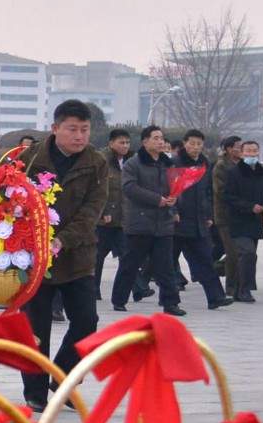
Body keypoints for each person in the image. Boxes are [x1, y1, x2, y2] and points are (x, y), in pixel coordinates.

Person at [19, 99, 107, 411]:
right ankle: (35, 391)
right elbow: (12, 202)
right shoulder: (30, 159)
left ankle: (63, 377)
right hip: (33, 256)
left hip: (77, 255)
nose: (79, 136)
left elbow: (92, 210)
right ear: (55, 128)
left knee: (87, 321)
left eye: (85, 130)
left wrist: (62, 241)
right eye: (72, 129)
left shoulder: (96, 162)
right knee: (35, 328)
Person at [110, 125, 184, 315]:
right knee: (130, 263)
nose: (161, 141)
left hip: (164, 222)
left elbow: (177, 187)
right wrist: (156, 199)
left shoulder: (168, 164)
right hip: (140, 223)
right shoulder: (133, 164)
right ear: (145, 142)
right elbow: (129, 188)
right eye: (156, 138)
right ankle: (119, 299)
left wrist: (174, 201)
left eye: (162, 138)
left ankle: (171, 303)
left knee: (166, 265)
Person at [172, 130, 234, 310]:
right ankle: (169, 299)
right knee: (169, 263)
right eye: (192, 143)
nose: (196, 147)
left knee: (205, 260)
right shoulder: (175, 163)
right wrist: (173, 211)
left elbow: (207, 192)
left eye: (199, 144)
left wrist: (208, 216)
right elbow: (170, 189)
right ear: (184, 144)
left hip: (198, 221)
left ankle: (216, 297)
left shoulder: (203, 164)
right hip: (178, 221)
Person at [222, 140, 263, 303]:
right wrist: (249, 206)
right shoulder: (234, 173)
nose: (252, 154)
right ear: (242, 153)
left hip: (256, 222)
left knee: (247, 257)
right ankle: (245, 290)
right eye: (248, 151)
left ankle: (238, 289)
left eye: (254, 151)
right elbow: (228, 196)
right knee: (248, 253)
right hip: (238, 221)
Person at [95, 129, 134, 299]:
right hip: (104, 219)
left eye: (127, 142)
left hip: (122, 218)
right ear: (111, 144)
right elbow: (97, 188)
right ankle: (93, 290)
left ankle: (138, 289)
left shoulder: (129, 162)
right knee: (97, 257)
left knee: (127, 255)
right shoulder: (102, 160)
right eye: (121, 142)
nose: (125, 146)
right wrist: (103, 212)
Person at [212, 136, 242, 296]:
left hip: (242, 216)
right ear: (229, 149)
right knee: (232, 252)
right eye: (239, 146)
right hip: (225, 215)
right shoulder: (221, 166)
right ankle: (231, 287)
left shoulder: (242, 165)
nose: (242, 149)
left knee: (243, 252)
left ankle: (239, 283)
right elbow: (221, 191)